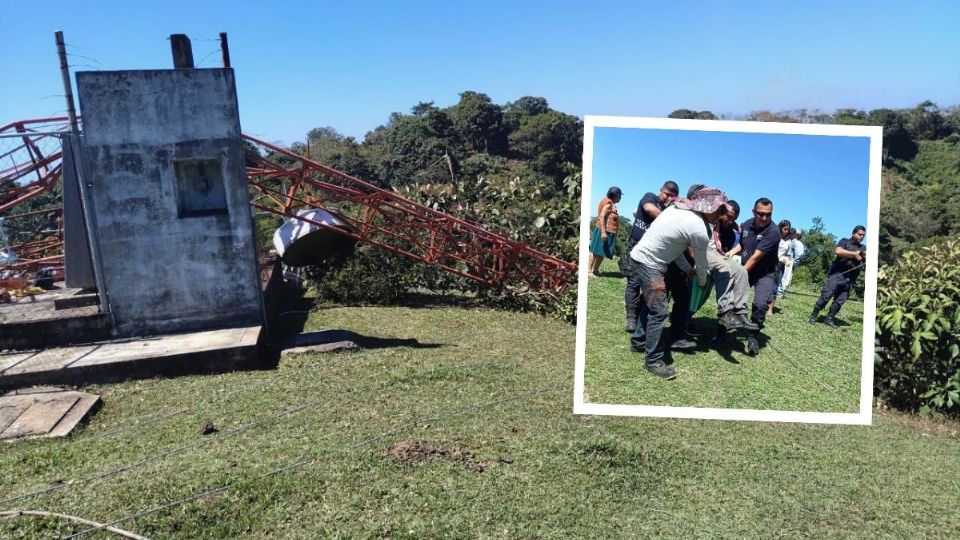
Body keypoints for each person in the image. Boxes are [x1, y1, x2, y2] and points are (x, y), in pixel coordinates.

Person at [629, 188, 727, 379]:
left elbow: (674, 248)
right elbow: (702, 262)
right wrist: (702, 280)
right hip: (650, 265)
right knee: (659, 311)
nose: (720, 215)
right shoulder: (699, 228)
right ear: (706, 207)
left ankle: (639, 341)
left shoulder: (677, 209)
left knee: (650, 307)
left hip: (638, 258)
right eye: (718, 210)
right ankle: (653, 360)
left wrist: (685, 269)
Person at [622, 181, 680, 331]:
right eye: (667, 194)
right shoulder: (650, 197)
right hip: (635, 247)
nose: (668, 198)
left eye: (672, 197)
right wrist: (669, 218)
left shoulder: (668, 210)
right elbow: (649, 209)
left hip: (652, 254)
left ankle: (643, 314)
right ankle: (631, 317)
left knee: (649, 286)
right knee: (633, 283)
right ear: (661, 190)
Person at [740, 198, 780, 355]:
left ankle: (753, 336)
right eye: (760, 214)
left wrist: (740, 276)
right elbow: (741, 245)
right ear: (753, 212)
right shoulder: (746, 224)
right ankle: (722, 330)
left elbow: (755, 258)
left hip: (765, 273)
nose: (764, 218)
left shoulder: (773, 232)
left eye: (768, 215)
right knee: (734, 298)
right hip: (748, 269)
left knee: (761, 303)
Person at [809, 225, 866, 328]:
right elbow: (838, 251)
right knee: (826, 296)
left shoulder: (863, 248)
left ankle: (829, 319)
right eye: (860, 234)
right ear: (853, 233)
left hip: (850, 279)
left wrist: (864, 257)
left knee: (840, 301)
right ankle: (814, 315)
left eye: (863, 235)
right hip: (837, 274)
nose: (861, 237)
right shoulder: (845, 241)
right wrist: (854, 254)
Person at [588, 187, 622, 277]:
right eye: (619, 196)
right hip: (603, 230)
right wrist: (603, 231)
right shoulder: (608, 203)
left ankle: (595, 270)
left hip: (607, 231)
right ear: (616, 195)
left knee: (601, 252)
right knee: (595, 251)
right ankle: (589, 271)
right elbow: (602, 216)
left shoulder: (609, 203)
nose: (620, 198)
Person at [767, 219, 793, 316]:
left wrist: (787, 260)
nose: (786, 231)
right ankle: (762, 305)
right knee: (767, 285)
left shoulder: (789, 242)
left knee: (775, 287)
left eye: (788, 230)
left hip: (780, 266)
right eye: (785, 229)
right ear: (780, 228)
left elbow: (788, 254)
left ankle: (770, 309)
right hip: (770, 263)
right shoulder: (774, 237)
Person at [776, 228, 804, 299]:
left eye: (797, 234)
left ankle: (780, 292)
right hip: (781, 259)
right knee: (778, 275)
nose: (794, 235)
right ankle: (776, 290)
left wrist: (793, 263)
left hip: (789, 261)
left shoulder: (799, 244)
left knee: (785, 277)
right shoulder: (787, 240)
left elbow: (799, 255)